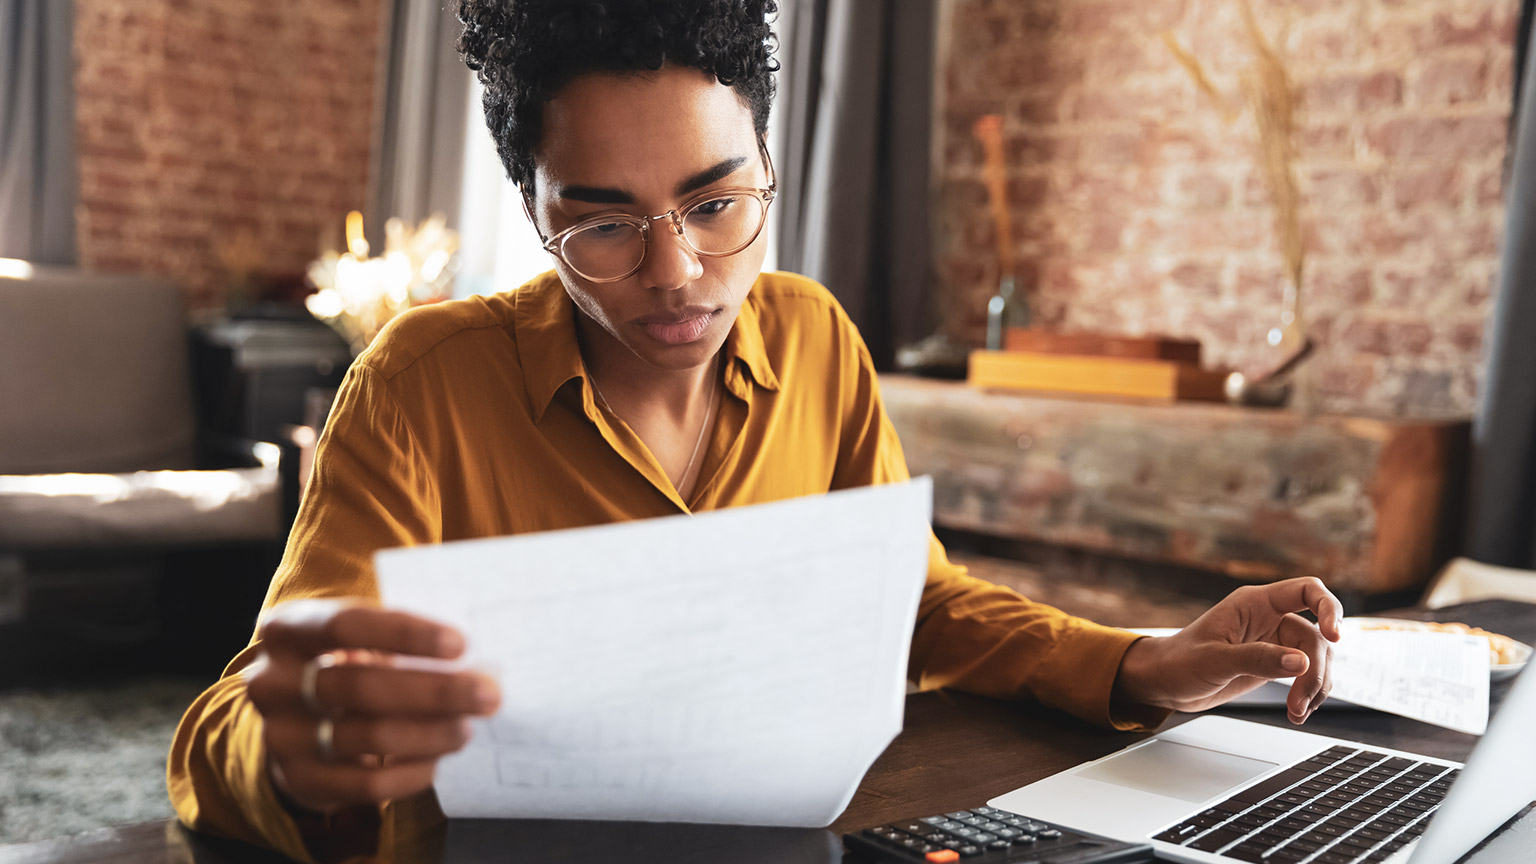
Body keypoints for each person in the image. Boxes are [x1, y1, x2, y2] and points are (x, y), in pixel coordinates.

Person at [167, 1, 1341, 861]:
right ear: (532, 213)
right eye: (605, 225)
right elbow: (229, 727)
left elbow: (917, 605)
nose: (678, 277)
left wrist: (1141, 661)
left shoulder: (819, 341)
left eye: (717, 202)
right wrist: (292, 754)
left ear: (771, 167)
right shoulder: (420, 386)